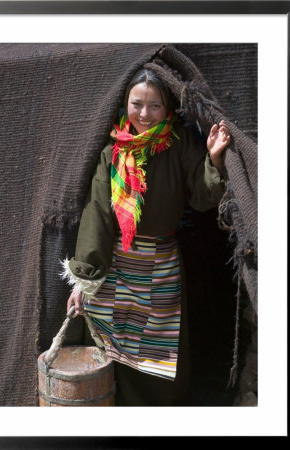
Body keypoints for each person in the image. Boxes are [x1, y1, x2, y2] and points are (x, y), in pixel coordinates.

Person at [62, 68, 230, 406]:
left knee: (158, 354)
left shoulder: (180, 145)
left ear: (167, 107)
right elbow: (98, 213)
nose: (144, 114)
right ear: (125, 106)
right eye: (137, 104)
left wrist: (213, 159)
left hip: (161, 264)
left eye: (154, 106)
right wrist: (85, 280)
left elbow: (201, 195)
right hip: (115, 265)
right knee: (112, 348)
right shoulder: (112, 154)